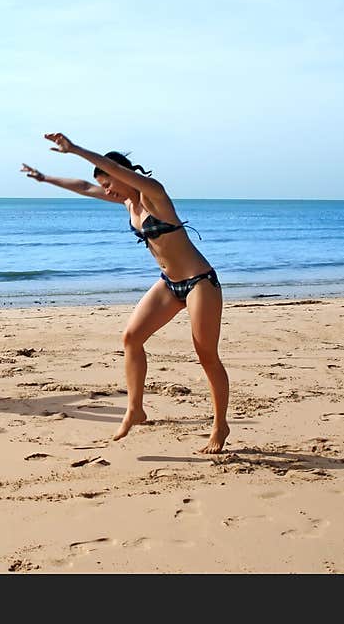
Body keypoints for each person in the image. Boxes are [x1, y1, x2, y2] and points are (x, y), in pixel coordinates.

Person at [21, 133, 229, 453]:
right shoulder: (128, 201)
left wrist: (75, 149)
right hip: (170, 284)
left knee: (206, 356)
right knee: (131, 337)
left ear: (120, 175)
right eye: (105, 185)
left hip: (200, 282)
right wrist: (44, 177)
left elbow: (108, 170)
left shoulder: (154, 195)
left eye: (110, 183)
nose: (107, 190)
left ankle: (220, 425)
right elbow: (84, 186)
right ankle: (135, 408)